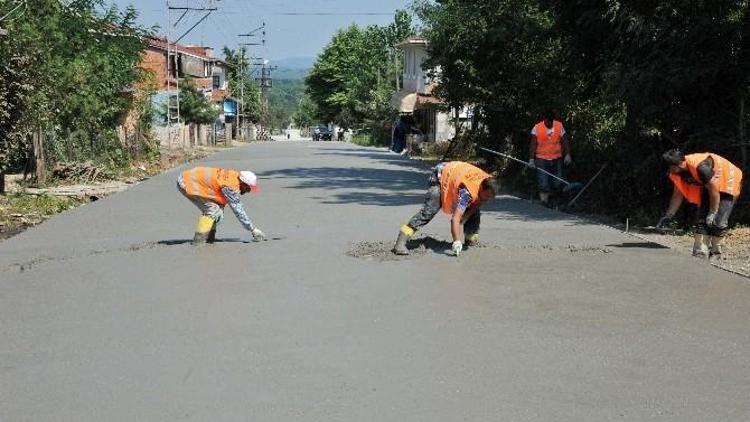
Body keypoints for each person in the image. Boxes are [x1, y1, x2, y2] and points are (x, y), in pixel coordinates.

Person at [393, 161, 499, 256]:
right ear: (481, 188)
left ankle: (470, 239)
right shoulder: (468, 191)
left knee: (474, 210)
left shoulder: (487, 182)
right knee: (429, 210)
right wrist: (456, 241)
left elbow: (478, 202)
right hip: (441, 175)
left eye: (490, 198)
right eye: (486, 196)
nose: (487, 200)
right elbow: (455, 219)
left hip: (457, 174)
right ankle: (401, 241)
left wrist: (466, 215)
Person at [657, 149, 743, 259]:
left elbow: (714, 190)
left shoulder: (701, 167)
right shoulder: (676, 171)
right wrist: (668, 216)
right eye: (669, 168)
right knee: (702, 219)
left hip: (727, 180)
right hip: (710, 185)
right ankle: (700, 252)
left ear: (682, 163)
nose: (670, 170)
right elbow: (677, 194)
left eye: (672, 167)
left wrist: (713, 212)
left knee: (718, 220)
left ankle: (716, 254)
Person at [177, 167, 266, 245]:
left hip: (190, 177)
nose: (248, 191)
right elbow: (238, 210)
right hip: (186, 182)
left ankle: (209, 238)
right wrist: (252, 229)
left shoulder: (235, 176)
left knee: (218, 210)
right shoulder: (230, 186)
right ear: (243, 183)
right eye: (248, 188)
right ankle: (199, 241)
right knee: (213, 210)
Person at [529, 110, 572, 206]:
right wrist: (531, 159)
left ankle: (555, 202)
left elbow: (565, 139)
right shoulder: (537, 127)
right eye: (548, 122)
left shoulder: (559, 125)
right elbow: (532, 144)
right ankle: (544, 202)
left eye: (552, 121)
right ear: (544, 120)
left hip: (556, 159)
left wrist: (568, 154)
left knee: (557, 182)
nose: (550, 124)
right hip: (541, 159)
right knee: (544, 183)